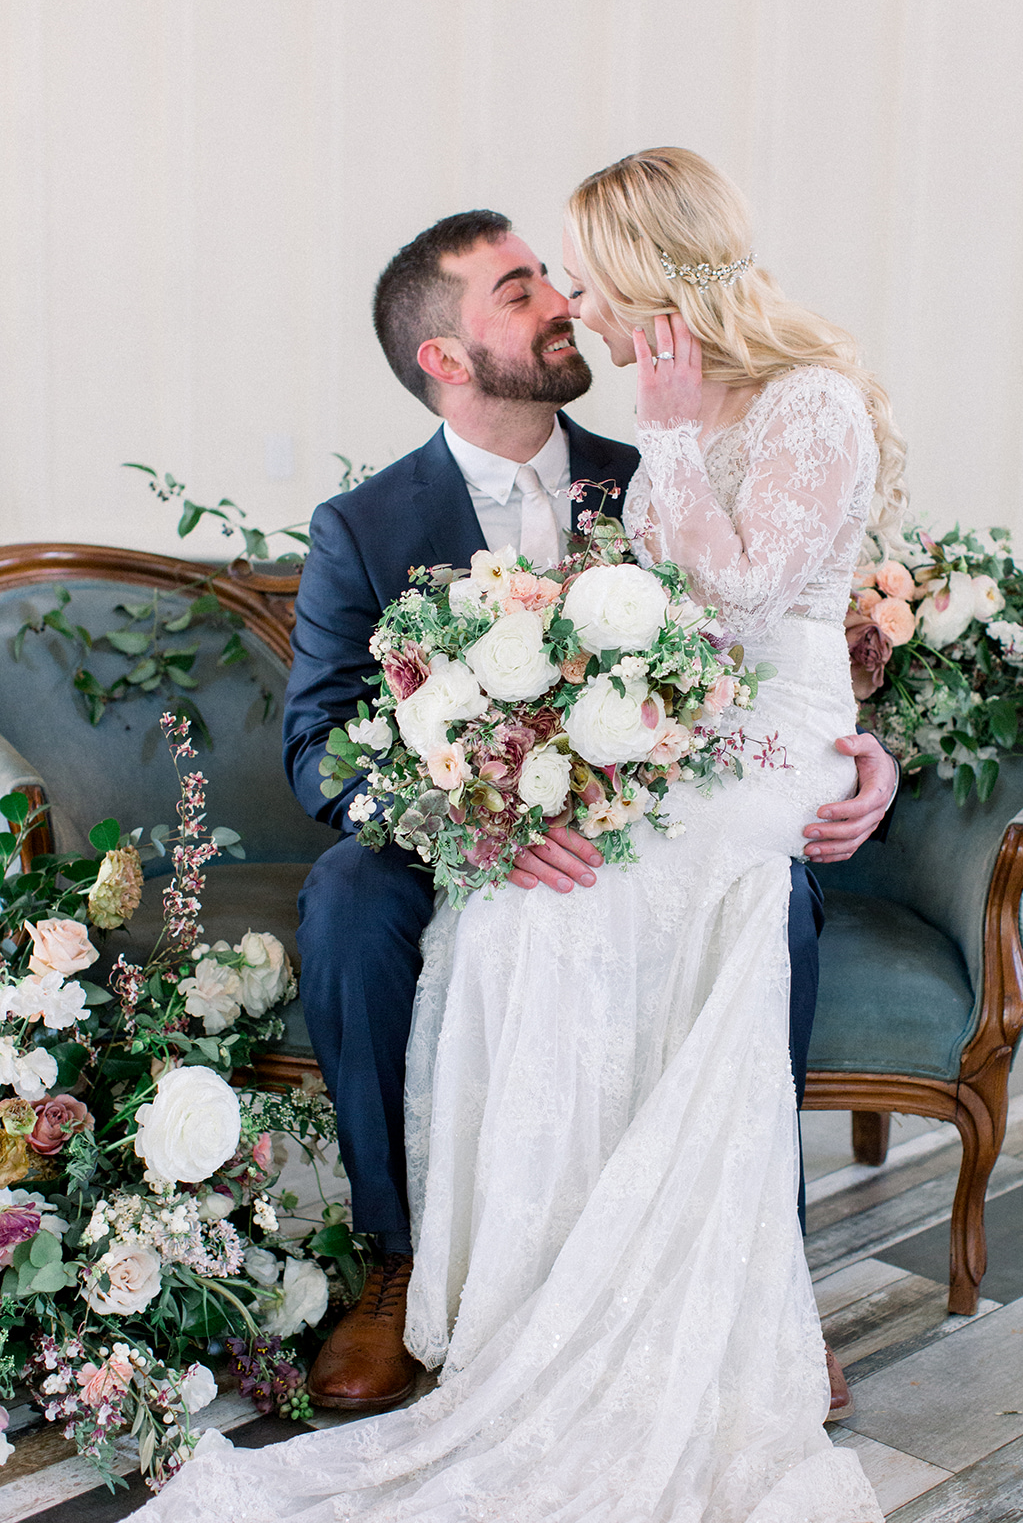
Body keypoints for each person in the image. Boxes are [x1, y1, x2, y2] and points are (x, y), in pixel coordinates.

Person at [139, 158, 899, 1519]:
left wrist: (870, 753)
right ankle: (400, 1259)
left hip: (671, 787)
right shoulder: (364, 527)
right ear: (447, 354)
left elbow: (783, 626)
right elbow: (319, 746)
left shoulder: (651, 446)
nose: (564, 303)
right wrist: (478, 814)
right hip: (466, 813)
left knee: (741, 893)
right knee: (355, 900)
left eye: (565, 278)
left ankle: (736, 1266)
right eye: (526, 288)